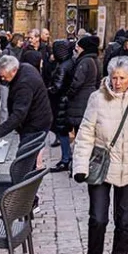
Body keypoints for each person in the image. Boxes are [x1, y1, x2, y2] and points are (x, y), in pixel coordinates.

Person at [73, 56, 128, 254]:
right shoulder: (97, 98)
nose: (117, 82)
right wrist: (80, 166)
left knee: (124, 223)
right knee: (98, 220)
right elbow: (85, 133)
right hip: (102, 168)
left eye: (122, 78)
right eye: (114, 77)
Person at [0, 54, 52, 147]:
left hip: (35, 123)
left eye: (4, 76)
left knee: (27, 153)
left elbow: (19, 114)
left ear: (13, 71)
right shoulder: (24, 68)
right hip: (37, 119)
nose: (2, 79)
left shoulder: (24, 84)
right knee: (34, 151)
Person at [49, 40, 76, 172]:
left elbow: (57, 87)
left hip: (61, 101)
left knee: (62, 130)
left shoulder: (63, 66)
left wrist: (47, 91)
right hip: (68, 100)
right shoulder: (71, 62)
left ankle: (66, 159)